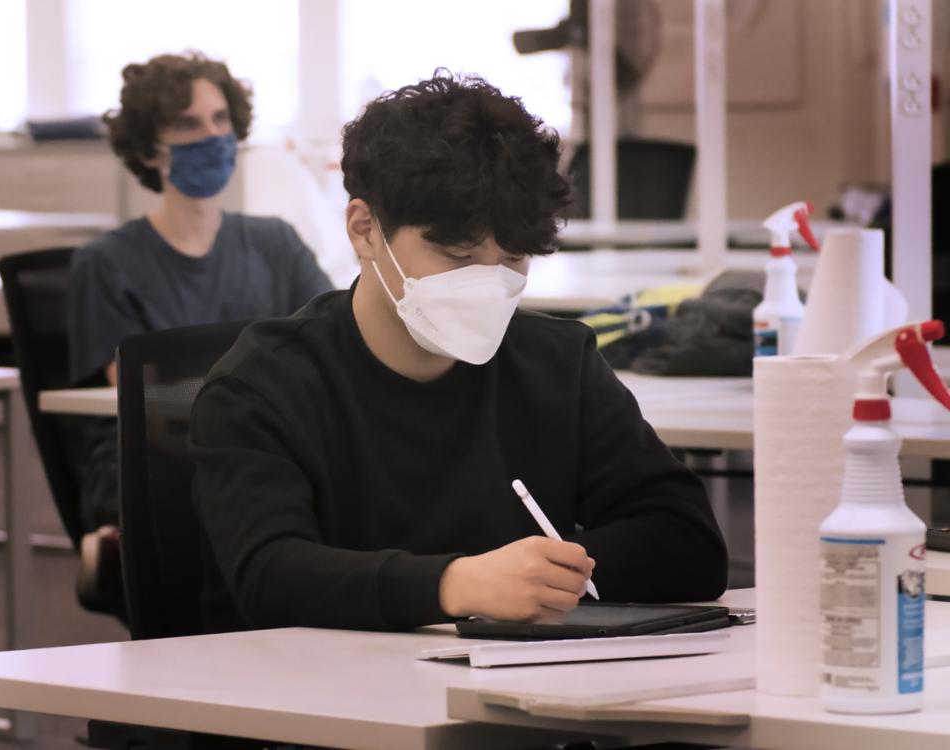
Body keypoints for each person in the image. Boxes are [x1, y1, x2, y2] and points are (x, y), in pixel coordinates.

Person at [189, 70, 727, 634]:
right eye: (457, 256)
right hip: (318, 704)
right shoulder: (262, 387)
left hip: (518, 698)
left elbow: (687, 541)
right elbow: (270, 576)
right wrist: (460, 584)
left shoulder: (556, 362)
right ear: (364, 229)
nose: (489, 283)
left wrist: (545, 578)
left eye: (514, 258)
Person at [68, 52, 334, 614]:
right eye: (188, 124)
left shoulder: (275, 243)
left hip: (268, 449)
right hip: (154, 463)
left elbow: (330, 355)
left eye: (220, 120)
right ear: (146, 149)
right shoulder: (107, 263)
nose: (212, 136)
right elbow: (148, 402)